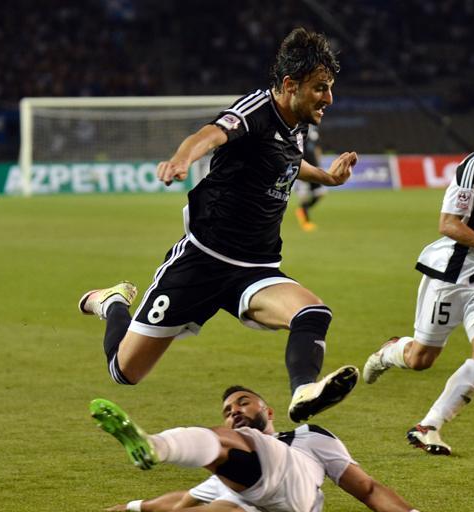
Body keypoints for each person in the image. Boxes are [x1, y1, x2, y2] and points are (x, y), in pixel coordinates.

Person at [78, 28, 360, 423]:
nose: (328, 98)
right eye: (320, 88)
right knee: (126, 371)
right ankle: (112, 303)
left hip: (255, 268)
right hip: (201, 262)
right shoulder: (256, 109)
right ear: (289, 85)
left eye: (329, 88)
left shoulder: (296, 123)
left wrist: (326, 178)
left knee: (313, 313)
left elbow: (288, 161)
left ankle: (303, 392)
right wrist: (182, 159)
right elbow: (209, 135)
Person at [361, 96, 474, 456]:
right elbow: (448, 224)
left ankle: (428, 426)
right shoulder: (473, 169)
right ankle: (389, 352)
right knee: (420, 359)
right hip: (450, 278)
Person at [91, 386, 457, 512]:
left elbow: (367, 488)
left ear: (268, 411)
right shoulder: (227, 465)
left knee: (231, 442)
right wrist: (136, 506)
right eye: (227, 410)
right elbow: (185, 498)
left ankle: (155, 445)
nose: (234, 410)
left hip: (292, 477)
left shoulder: (308, 437)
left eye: (243, 402)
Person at [294, 124, 327, 231]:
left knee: (320, 193)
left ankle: (303, 209)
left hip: (314, 167)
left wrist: (319, 163)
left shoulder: (314, 130)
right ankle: (306, 221)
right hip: (302, 168)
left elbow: (317, 147)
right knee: (303, 195)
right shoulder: (298, 128)